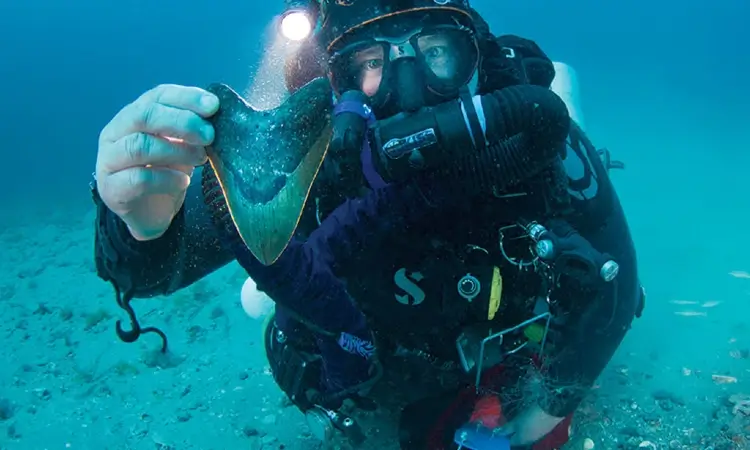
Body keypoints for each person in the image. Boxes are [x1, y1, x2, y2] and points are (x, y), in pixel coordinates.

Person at [92, 1, 644, 448]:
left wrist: (546, 412)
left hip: (497, 342)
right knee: (260, 296)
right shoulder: (307, 158)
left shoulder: (529, 136)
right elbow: (153, 272)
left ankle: (567, 88)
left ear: (473, 56)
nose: (409, 84)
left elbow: (618, 284)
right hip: (371, 368)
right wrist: (135, 223)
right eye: (373, 63)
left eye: (436, 52)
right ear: (340, 82)